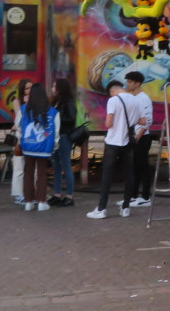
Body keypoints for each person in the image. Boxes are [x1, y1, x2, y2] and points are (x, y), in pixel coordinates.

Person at [88, 80, 136, 219]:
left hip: (113, 142)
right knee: (128, 175)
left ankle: (101, 209)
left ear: (112, 91)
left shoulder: (113, 101)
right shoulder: (135, 101)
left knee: (107, 176)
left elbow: (108, 123)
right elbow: (142, 120)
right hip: (128, 142)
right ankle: (126, 208)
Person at [17, 83, 59, 212]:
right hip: (44, 147)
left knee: (28, 173)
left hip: (28, 146)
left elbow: (18, 128)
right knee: (42, 174)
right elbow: (56, 132)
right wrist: (54, 146)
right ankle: (42, 202)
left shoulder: (23, 109)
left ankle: (28, 203)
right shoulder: (53, 111)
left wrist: (21, 142)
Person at [123, 71, 156, 208]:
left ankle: (146, 197)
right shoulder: (132, 97)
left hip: (142, 138)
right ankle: (133, 196)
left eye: (130, 82)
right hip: (134, 137)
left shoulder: (144, 98)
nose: (128, 84)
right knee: (134, 167)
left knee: (143, 166)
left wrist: (137, 137)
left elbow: (148, 121)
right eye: (128, 81)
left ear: (137, 83)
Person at [49, 78, 78, 207]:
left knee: (65, 164)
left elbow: (71, 119)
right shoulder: (56, 101)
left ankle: (70, 196)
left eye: (54, 86)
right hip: (55, 136)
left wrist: (57, 118)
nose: (52, 89)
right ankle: (57, 194)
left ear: (60, 88)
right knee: (56, 166)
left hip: (65, 135)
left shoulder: (68, 102)